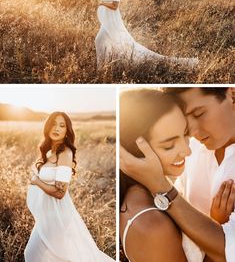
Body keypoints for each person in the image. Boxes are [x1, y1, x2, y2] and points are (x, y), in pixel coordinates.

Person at [120, 87, 235, 262]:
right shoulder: (196, 148)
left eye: (198, 113)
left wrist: (161, 186)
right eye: (169, 145)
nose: (193, 134)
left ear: (232, 95)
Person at [24, 111, 114, 262]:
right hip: (46, 216)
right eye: (53, 124)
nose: (56, 128)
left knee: (33, 254)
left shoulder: (65, 153)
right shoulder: (48, 152)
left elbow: (60, 193)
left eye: (62, 125)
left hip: (57, 215)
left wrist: (37, 181)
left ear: (67, 131)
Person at [95, 0, 198, 69]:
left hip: (114, 23)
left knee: (101, 40)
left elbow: (114, 6)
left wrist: (102, 3)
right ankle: (106, 66)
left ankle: (101, 67)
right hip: (107, 23)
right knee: (108, 42)